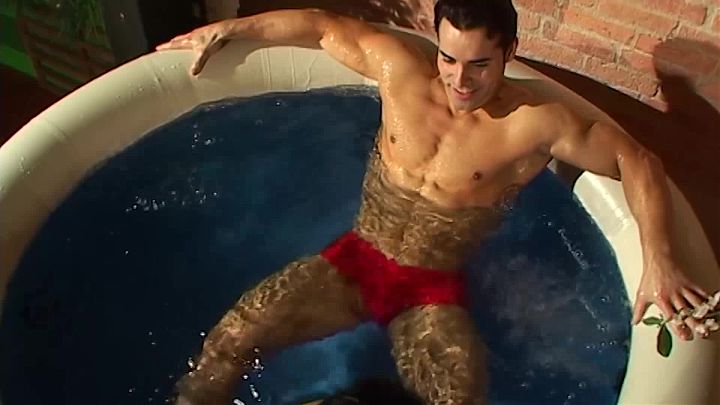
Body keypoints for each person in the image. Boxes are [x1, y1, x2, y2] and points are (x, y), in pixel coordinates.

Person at [156, 1, 711, 404]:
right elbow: (323, 27)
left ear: (510, 53)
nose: (459, 80)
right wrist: (229, 27)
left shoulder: (535, 124)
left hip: (429, 293)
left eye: (480, 64)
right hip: (352, 261)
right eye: (449, 58)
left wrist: (659, 261)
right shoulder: (400, 72)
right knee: (228, 344)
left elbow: (638, 161)